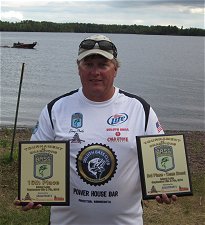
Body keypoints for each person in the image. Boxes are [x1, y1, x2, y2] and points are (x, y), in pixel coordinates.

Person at [14, 34, 177, 225]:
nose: (95, 71)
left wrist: (167, 185)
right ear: (78, 68)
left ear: (115, 69)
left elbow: (159, 163)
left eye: (102, 64)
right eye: (88, 64)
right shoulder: (56, 109)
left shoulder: (140, 109)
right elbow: (36, 161)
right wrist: (33, 192)